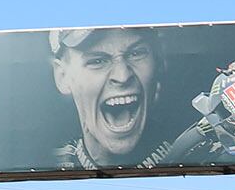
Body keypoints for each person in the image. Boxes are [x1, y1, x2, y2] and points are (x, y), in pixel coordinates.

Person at [49, 27, 165, 169]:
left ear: (159, 62)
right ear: (63, 77)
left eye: (136, 53)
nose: (122, 76)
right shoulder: (43, 168)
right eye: (97, 61)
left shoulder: (194, 154)